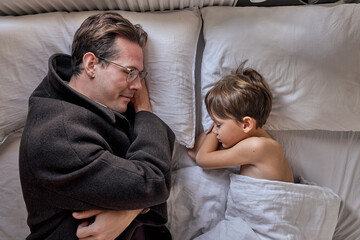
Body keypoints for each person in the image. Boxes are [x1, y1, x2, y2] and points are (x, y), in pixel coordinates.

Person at [19, 12, 175, 240]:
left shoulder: (102, 104)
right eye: (130, 72)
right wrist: (145, 111)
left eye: (140, 75)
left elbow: (156, 177)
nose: (138, 86)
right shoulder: (58, 136)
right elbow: (156, 181)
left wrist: (130, 211)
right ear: (91, 64)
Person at [189, 61, 293, 183]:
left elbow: (202, 159)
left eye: (218, 125)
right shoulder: (252, 142)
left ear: (246, 124)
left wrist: (214, 128)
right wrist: (218, 123)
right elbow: (194, 152)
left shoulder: (257, 147)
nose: (215, 130)